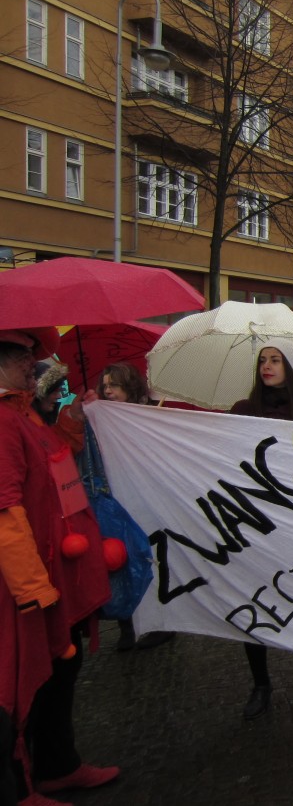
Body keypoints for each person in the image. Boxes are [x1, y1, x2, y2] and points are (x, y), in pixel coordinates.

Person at [1, 328, 119, 802]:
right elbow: (5, 508)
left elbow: (57, 457)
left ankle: (57, 765)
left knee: (61, 672)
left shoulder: (22, 411)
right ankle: (18, 787)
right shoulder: (3, 420)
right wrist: (33, 589)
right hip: (29, 587)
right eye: (26, 354)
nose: (36, 361)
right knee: (21, 683)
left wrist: (73, 415)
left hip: (57, 573)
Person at [230, 341, 293, 721]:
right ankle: (260, 684)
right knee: (252, 602)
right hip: (253, 523)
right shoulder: (243, 411)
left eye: (275, 360)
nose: (267, 367)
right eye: (262, 361)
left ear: (290, 367)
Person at [97, 363, 176, 653]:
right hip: (116, 503)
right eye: (105, 386)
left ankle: (161, 623)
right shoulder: (99, 419)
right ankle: (127, 624)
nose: (108, 391)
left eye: (114, 385)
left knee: (153, 560)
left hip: (148, 499)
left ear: (129, 388)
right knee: (120, 561)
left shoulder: (147, 416)